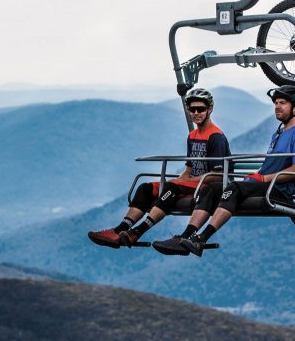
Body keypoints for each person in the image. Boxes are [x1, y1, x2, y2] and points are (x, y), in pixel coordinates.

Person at [153, 85, 295, 257]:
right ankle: (185, 237)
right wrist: (258, 176)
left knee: (233, 188)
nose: (277, 107)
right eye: (276, 103)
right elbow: (272, 164)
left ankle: (201, 239)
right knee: (212, 188)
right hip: (263, 183)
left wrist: (265, 179)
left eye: (282, 103)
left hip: (279, 189)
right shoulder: (279, 132)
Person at [88, 88, 231, 248]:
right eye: (192, 109)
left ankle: (137, 232)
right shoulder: (192, 136)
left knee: (171, 187)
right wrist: (181, 179)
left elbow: (218, 175)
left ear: (209, 109)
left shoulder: (215, 137)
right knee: (146, 188)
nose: (196, 113)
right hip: (192, 184)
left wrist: (184, 181)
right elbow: (189, 168)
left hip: (208, 186)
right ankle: (120, 229)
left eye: (201, 109)